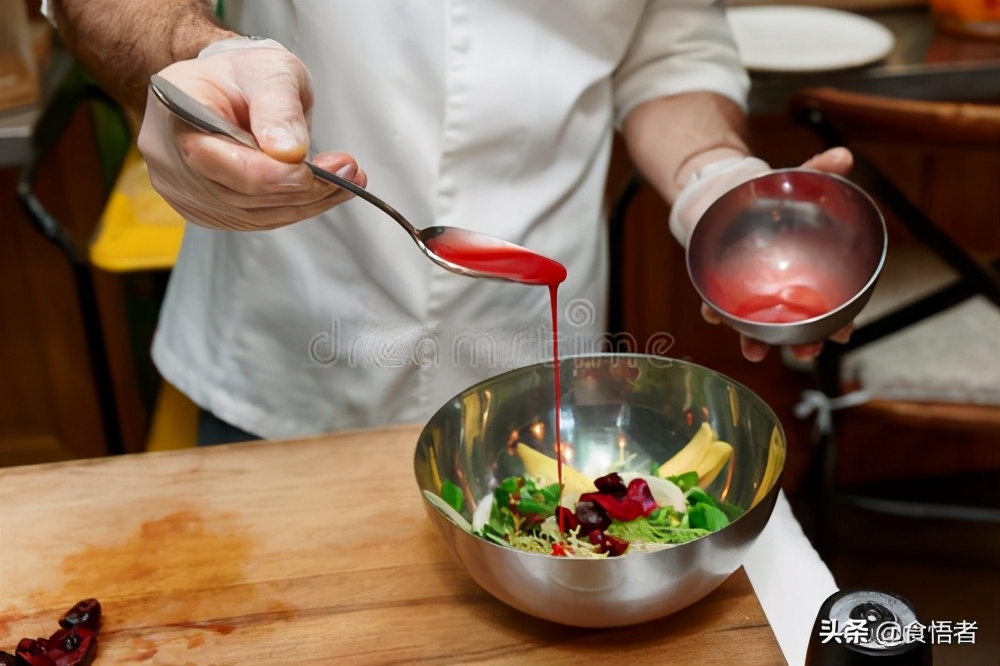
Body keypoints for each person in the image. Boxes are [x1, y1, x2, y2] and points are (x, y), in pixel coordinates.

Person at [44, 1, 851, 662]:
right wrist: (190, 53)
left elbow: (670, 44)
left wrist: (712, 175)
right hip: (285, 333)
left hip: (534, 341)